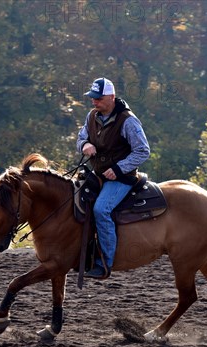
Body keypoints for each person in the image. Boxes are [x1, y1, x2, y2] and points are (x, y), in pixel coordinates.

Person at [76, 77, 150, 279]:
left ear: (111, 97)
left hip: (121, 178)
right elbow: (81, 137)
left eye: (98, 98)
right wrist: (84, 145)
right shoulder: (92, 116)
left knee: (101, 209)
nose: (94, 102)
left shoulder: (128, 121)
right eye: (93, 98)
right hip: (97, 174)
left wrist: (118, 169)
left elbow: (143, 151)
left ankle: (105, 262)